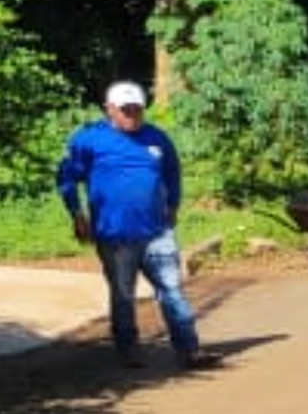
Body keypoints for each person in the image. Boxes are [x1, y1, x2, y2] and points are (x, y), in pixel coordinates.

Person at [55, 80, 214, 370]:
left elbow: (172, 173)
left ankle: (189, 349)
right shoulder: (89, 139)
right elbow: (66, 176)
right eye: (125, 109)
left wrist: (173, 205)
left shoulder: (157, 138)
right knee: (123, 295)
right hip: (114, 235)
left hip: (157, 231)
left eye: (137, 109)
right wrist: (76, 213)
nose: (132, 115)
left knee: (172, 289)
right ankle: (128, 349)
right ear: (109, 109)